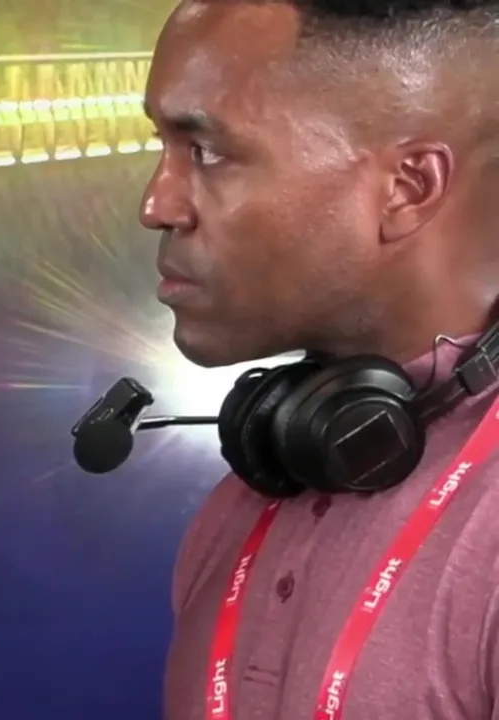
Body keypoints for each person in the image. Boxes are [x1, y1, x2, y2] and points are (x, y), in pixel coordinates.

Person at [142, 0, 499, 716]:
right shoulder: (242, 505)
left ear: (407, 188)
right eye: (161, 147)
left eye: (206, 152)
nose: (158, 204)